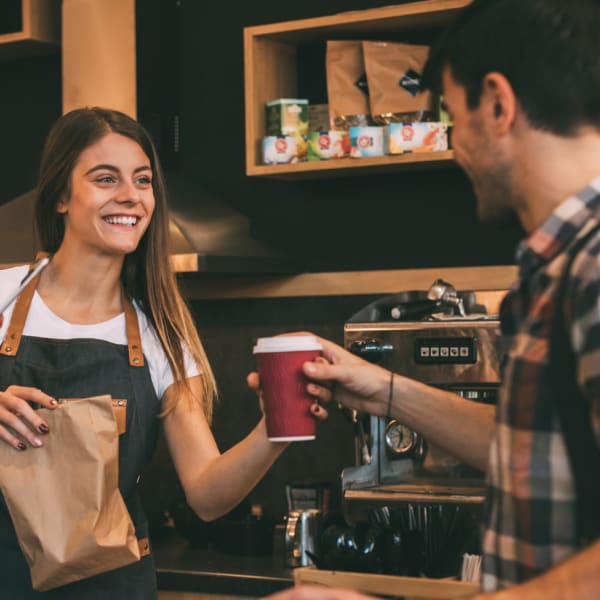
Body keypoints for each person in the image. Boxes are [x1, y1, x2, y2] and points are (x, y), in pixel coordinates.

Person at [254, 0, 600, 598]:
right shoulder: (559, 267)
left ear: (497, 104)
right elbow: (535, 454)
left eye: (451, 115)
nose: (451, 142)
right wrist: (383, 390)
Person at [0, 107, 323, 599]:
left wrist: (277, 426)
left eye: (143, 180)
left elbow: (208, 496)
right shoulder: (3, 298)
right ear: (62, 195)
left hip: (110, 589)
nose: (130, 195)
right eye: (106, 178)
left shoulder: (162, 336)